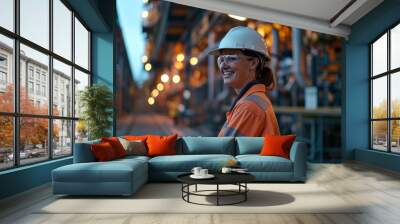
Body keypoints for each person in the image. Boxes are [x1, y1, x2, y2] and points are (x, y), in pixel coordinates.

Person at [209, 26, 280, 137]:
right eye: (221, 59)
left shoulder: (249, 107)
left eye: (231, 58)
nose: (223, 65)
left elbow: (223, 152)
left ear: (253, 63)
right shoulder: (251, 101)